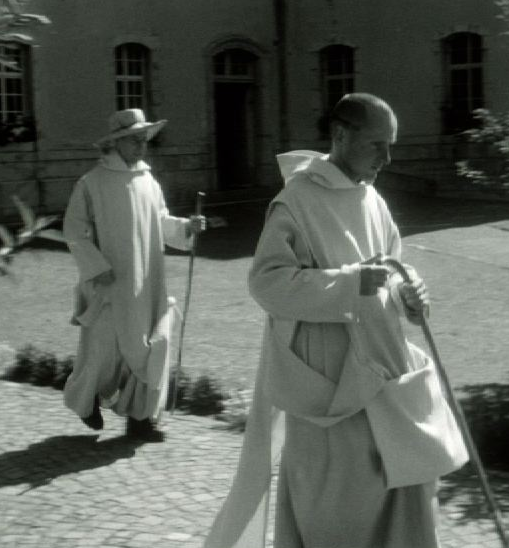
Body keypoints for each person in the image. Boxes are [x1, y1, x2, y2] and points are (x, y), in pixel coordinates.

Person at [204, 93, 468, 548]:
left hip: (384, 372)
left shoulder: (373, 199)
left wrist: (412, 294)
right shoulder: (296, 202)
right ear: (341, 136)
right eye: (377, 145)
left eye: (390, 145)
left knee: (404, 484)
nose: (387, 158)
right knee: (340, 510)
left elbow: (395, 267)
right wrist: (351, 284)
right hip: (329, 383)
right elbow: (266, 283)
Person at [62, 108, 205, 442]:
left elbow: (162, 222)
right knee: (102, 351)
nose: (142, 146)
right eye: (135, 140)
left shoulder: (148, 182)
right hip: (109, 285)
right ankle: (86, 403)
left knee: (149, 346)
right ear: (116, 143)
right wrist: (97, 268)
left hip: (147, 282)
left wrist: (187, 228)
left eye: (144, 139)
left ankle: (141, 420)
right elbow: (74, 232)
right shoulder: (91, 184)